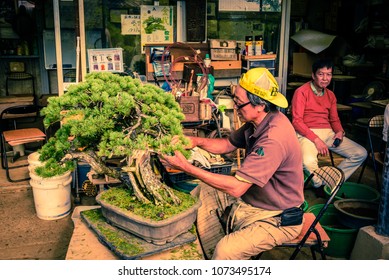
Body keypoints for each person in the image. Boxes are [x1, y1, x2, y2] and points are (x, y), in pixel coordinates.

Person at [160, 68, 304, 260]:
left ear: (260, 105)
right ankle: (207, 249)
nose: (235, 107)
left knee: (226, 251)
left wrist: (185, 166)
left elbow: (237, 188)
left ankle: (216, 254)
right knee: (203, 191)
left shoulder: (273, 138)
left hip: (277, 216)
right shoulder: (258, 121)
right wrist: (195, 141)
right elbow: (228, 144)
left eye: (238, 103)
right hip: (257, 200)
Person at [291, 58, 367, 191]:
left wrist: (339, 131)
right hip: (306, 133)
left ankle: (331, 182)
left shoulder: (331, 95)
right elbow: (297, 121)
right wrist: (316, 139)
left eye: (329, 74)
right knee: (307, 162)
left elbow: (334, 119)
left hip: (328, 133)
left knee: (360, 153)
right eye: (321, 74)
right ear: (313, 75)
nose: (325, 78)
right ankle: (320, 184)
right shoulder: (301, 92)